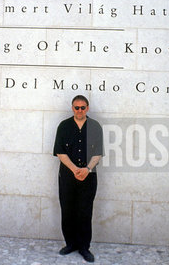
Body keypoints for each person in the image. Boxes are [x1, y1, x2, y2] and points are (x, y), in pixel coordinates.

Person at [53, 95, 104, 263]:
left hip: (89, 176)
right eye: (77, 107)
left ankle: (84, 247)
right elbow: (60, 152)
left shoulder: (95, 127)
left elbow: (98, 153)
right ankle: (70, 244)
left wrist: (87, 169)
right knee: (67, 210)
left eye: (83, 107)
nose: (80, 110)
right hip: (68, 176)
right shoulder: (64, 126)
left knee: (85, 212)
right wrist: (75, 169)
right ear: (72, 108)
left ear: (87, 108)